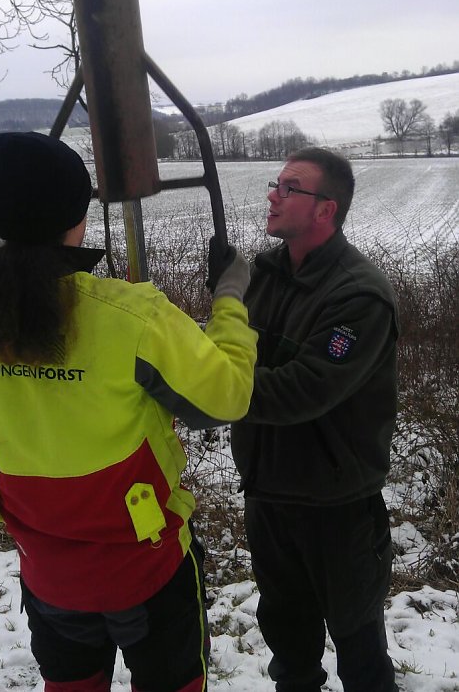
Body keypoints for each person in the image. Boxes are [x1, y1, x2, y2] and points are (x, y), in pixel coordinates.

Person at [0, 131, 257, 692]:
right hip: (145, 569)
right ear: (75, 220)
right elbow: (225, 398)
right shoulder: (131, 316)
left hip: (48, 570)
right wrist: (229, 299)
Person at [231, 147, 400, 692]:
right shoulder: (263, 275)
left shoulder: (359, 295)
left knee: (359, 649)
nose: (273, 195)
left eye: (289, 187)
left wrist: (212, 389)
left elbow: (303, 390)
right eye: (276, 183)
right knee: (289, 645)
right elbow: (230, 353)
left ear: (325, 209)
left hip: (337, 507)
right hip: (270, 496)